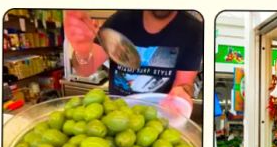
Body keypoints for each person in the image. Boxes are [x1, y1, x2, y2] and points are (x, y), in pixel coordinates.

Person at [64, 10, 203, 107]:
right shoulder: (119, 21)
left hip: (159, 119)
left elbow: (184, 84)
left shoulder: (193, 30)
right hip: (117, 115)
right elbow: (85, 70)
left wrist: (182, 92)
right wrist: (82, 50)